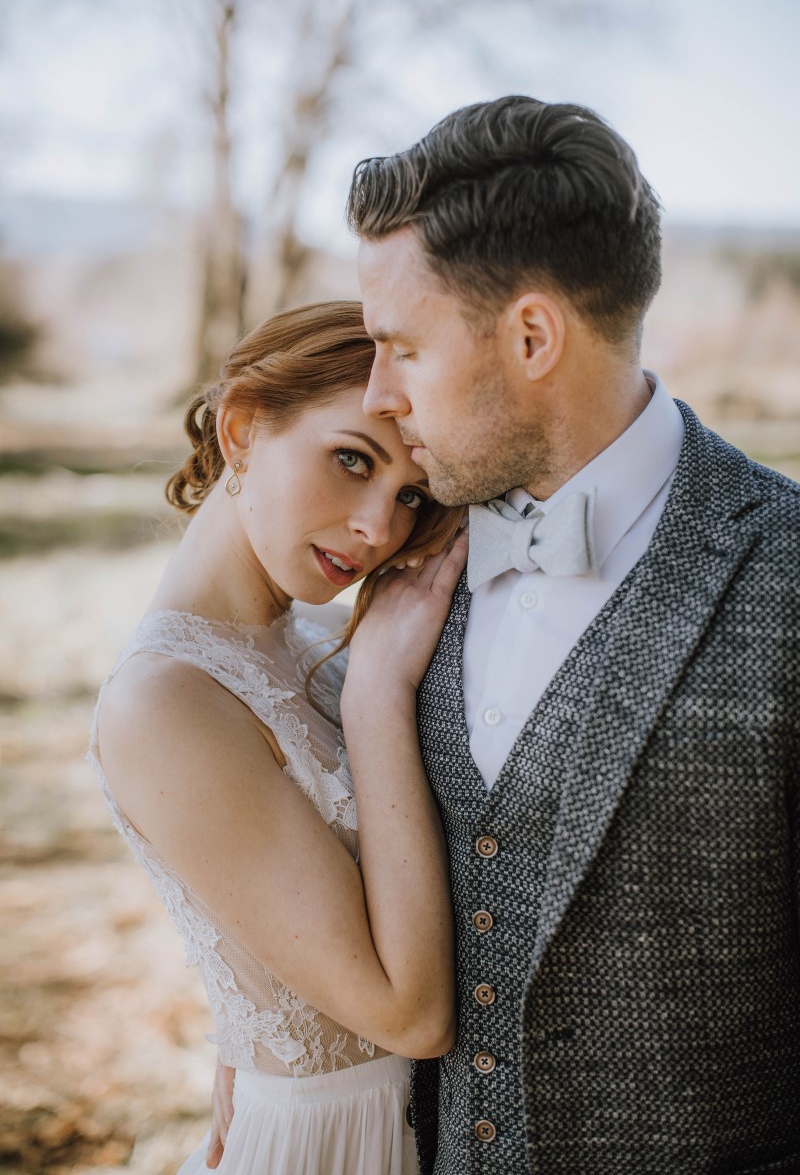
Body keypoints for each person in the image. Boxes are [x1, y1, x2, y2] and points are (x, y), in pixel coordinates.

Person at [342, 96, 800, 1173]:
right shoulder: (403, 561)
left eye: (399, 348)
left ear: (532, 335)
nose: (376, 396)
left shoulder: (785, 576)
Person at [88, 300, 466, 1175]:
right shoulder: (164, 703)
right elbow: (411, 1014)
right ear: (244, 427)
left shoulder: (301, 644)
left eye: (409, 495)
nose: (380, 528)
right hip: (328, 1146)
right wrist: (377, 694)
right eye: (350, 460)